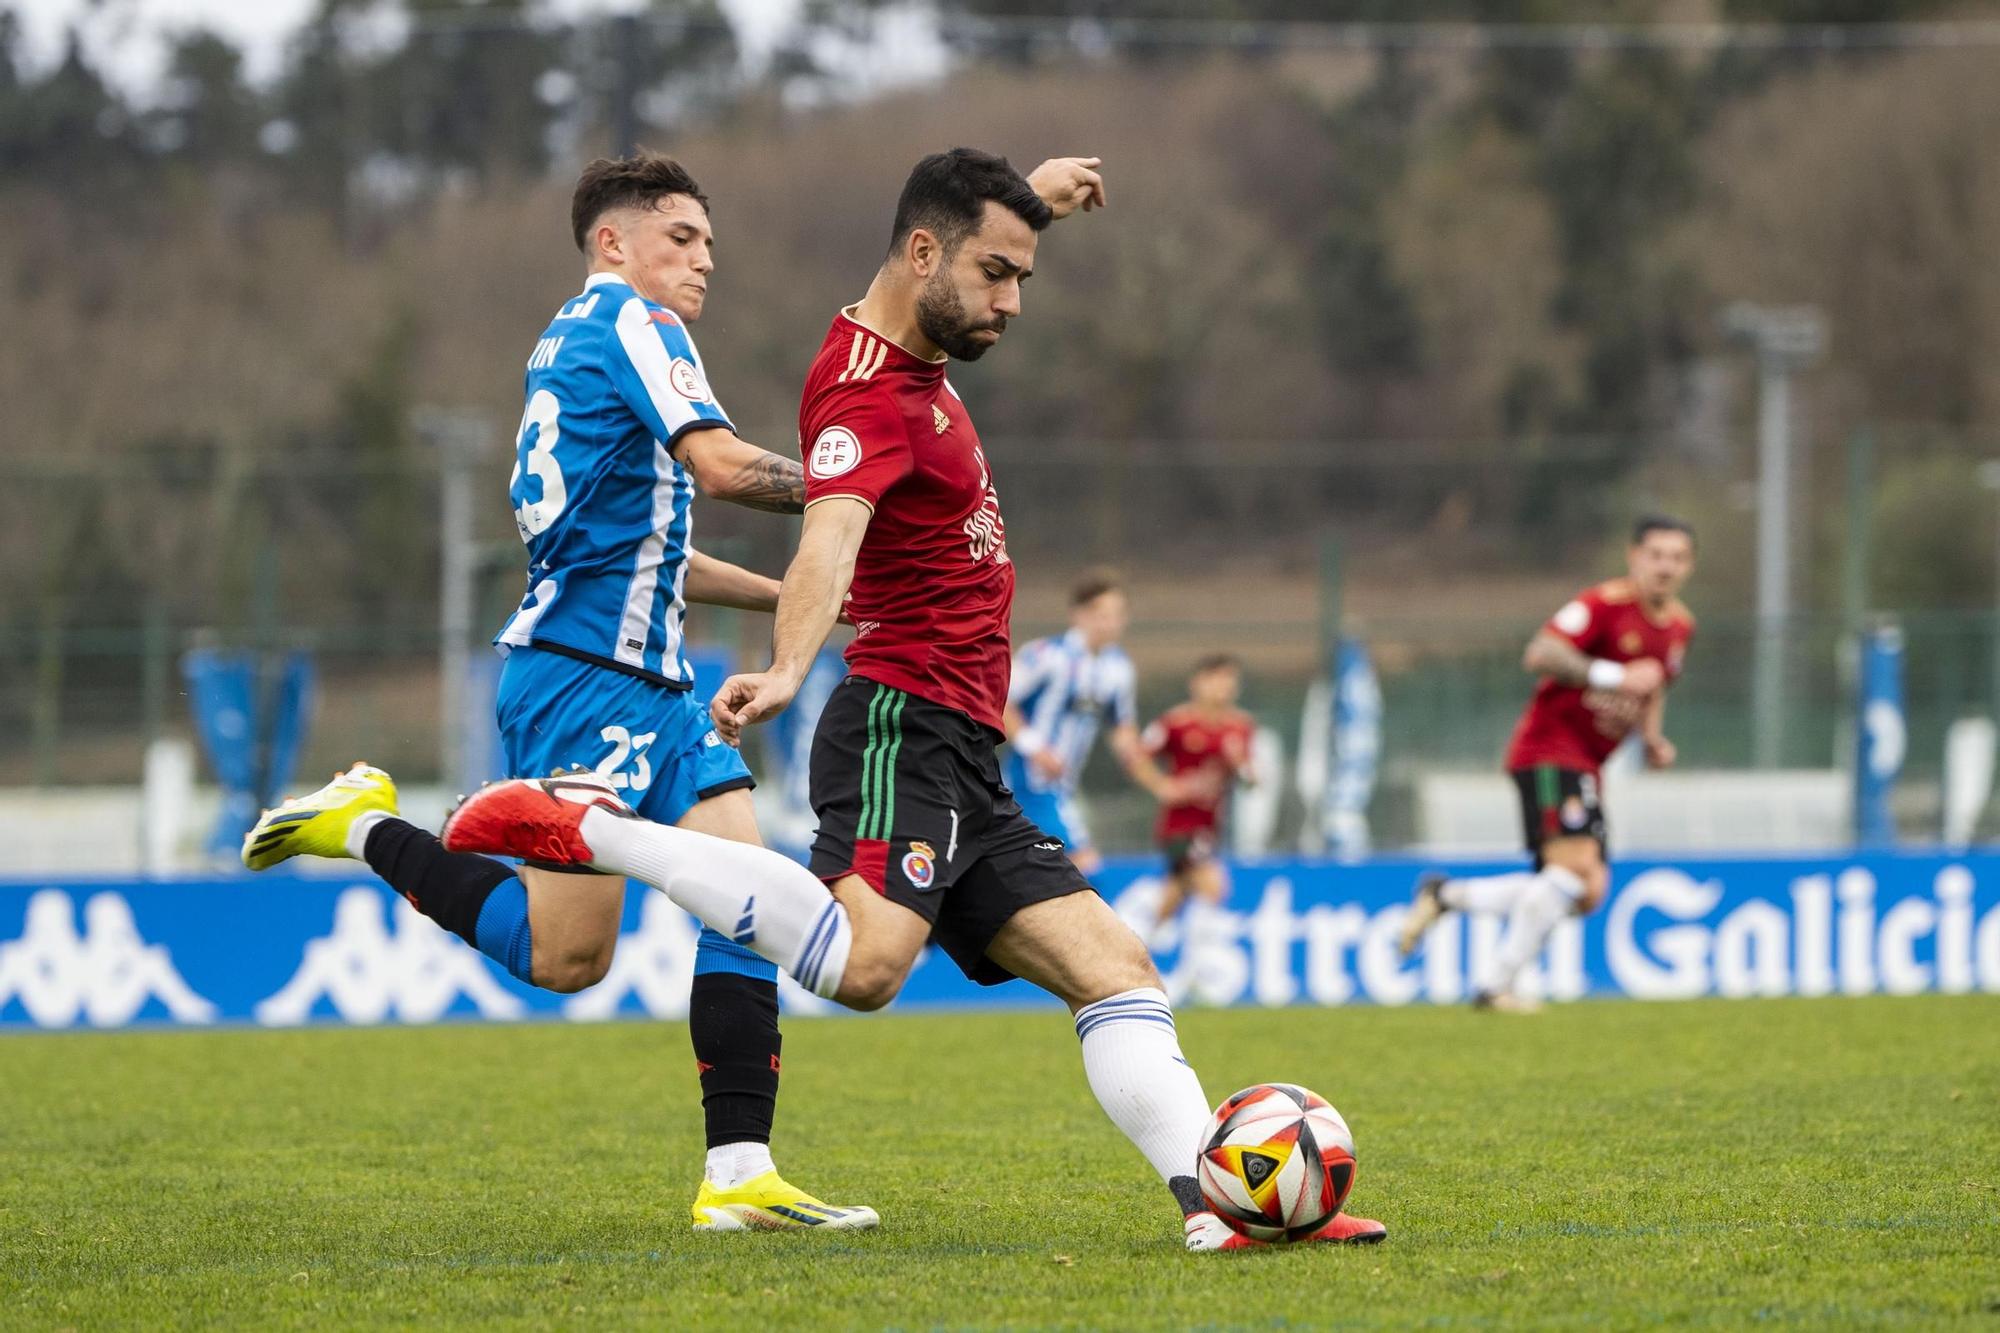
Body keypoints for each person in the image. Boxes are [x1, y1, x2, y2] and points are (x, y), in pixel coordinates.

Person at [440, 147, 1385, 1251]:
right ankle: (599, 834)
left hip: (964, 745)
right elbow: (829, 531)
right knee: (868, 966)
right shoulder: (855, 400)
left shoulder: (907, 340)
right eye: (999, 273)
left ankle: (1221, 1214)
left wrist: (1034, 201)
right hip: (901, 721)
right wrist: (791, 665)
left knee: (1113, 967)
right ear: (929, 255)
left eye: (1020, 275)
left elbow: (943, 256)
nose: (1012, 301)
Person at [241, 152, 877, 1232]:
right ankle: (364, 827)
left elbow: (652, 555)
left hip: (654, 683)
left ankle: (737, 1173)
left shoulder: (573, 346)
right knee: (566, 957)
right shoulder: (633, 326)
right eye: (681, 238)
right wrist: (860, 489)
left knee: (743, 894)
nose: (702, 261)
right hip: (581, 684)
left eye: (710, 245)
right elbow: (722, 470)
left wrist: (795, 594)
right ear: (612, 242)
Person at [1398, 515, 1698, 1011]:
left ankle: (1447, 896)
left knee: (1588, 891)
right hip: (1549, 749)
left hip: (1587, 763)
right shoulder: (1603, 605)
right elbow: (1541, 653)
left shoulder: (1681, 627)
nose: (1666, 567)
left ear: (1689, 566)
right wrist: (1612, 674)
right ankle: (1496, 985)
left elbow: (1654, 684)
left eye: (1677, 558)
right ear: (1634, 557)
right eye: (1657, 555)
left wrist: (1651, 738)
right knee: (1578, 872)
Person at [1001, 569, 1182, 876]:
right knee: (1084, 867)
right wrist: (1036, 748)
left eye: (1116, 614)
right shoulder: (1047, 655)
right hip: (1027, 781)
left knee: (1032, 873)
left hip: (1062, 788)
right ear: (1079, 615)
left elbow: (1123, 732)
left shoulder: (1119, 669)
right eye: (1101, 614)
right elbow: (1000, 701)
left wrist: (1158, 782)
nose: (1109, 623)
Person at [1143, 654, 1257, 937]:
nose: (1224, 687)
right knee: (1214, 885)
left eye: (1230, 681)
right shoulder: (1177, 723)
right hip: (1179, 826)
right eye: (1216, 680)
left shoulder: (1240, 727)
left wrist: (1240, 766)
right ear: (1198, 683)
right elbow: (1138, 755)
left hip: (1210, 826)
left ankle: (1142, 944)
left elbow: (1251, 781)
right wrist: (1162, 785)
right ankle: (1200, 973)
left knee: (1175, 892)